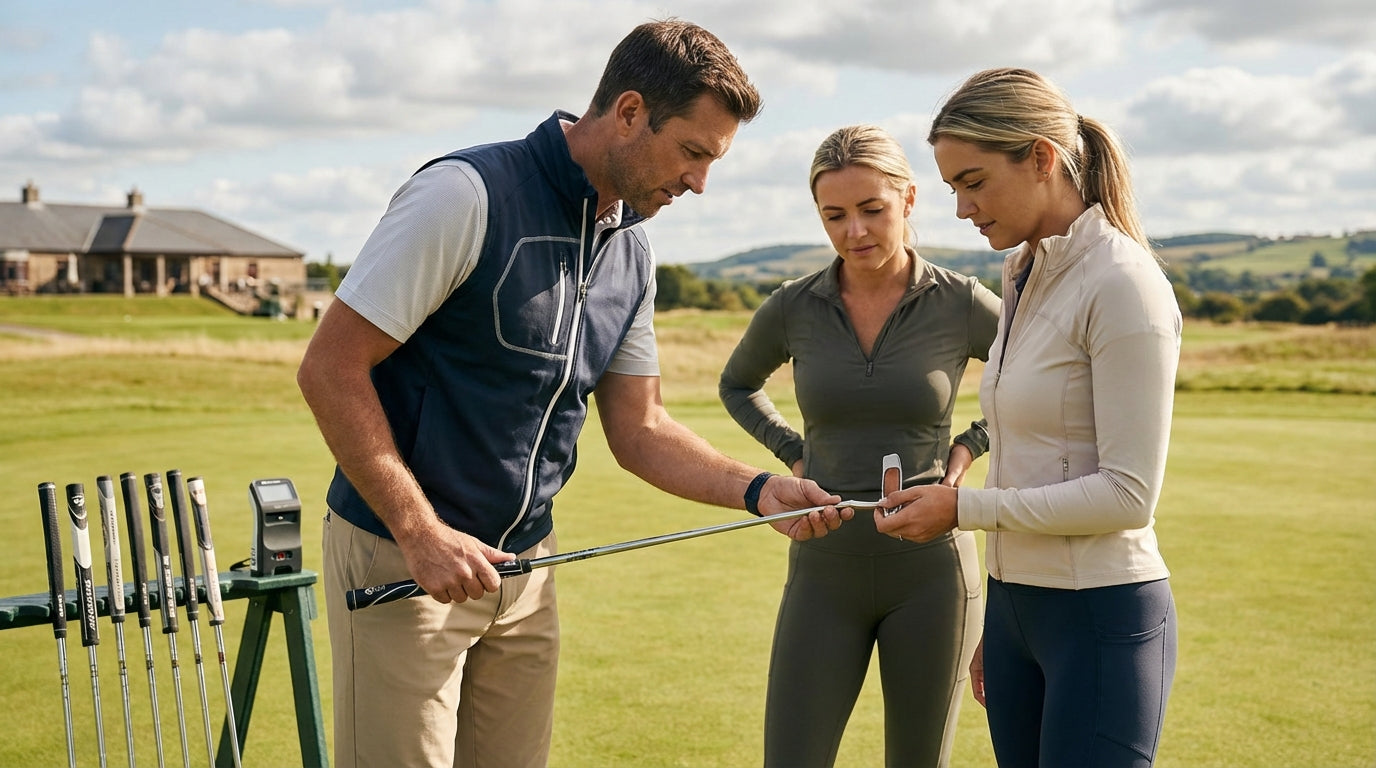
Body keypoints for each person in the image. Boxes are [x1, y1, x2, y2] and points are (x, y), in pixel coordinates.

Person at [296, 20, 849, 768]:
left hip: (526, 572)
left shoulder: (633, 249)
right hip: (403, 562)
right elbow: (330, 368)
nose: (699, 182)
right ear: (629, 112)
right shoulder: (464, 194)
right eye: (692, 152)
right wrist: (420, 533)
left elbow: (641, 427)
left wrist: (758, 490)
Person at [875, 67, 1182, 767]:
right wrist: (1005, 615)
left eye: (974, 182)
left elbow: (1128, 496)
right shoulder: (1021, 273)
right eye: (953, 187)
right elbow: (1028, 455)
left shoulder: (1123, 282)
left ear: (1041, 158)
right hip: (1019, 612)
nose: (962, 208)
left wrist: (962, 509)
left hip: (1099, 614)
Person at [719, 124, 1001, 767]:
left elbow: (1037, 386)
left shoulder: (961, 302)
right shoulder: (793, 307)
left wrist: (966, 449)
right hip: (824, 569)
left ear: (908, 199)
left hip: (932, 573)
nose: (855, 231)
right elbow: (737, 384)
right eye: (835, 215)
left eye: (872, 209)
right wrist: (794, 453)